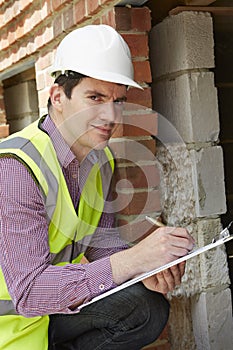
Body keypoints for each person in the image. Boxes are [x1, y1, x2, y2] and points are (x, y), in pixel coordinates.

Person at [0, 25, 194, 350]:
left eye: (118, 100)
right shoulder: (15, 168)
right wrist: (131, 262)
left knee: (145, 306)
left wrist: (141, 271)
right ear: (58, 96)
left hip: (53, 313)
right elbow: (29, 292)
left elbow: (102, 246)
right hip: (13, 326)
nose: (110, 114)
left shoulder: (100, 162)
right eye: (95, 98)